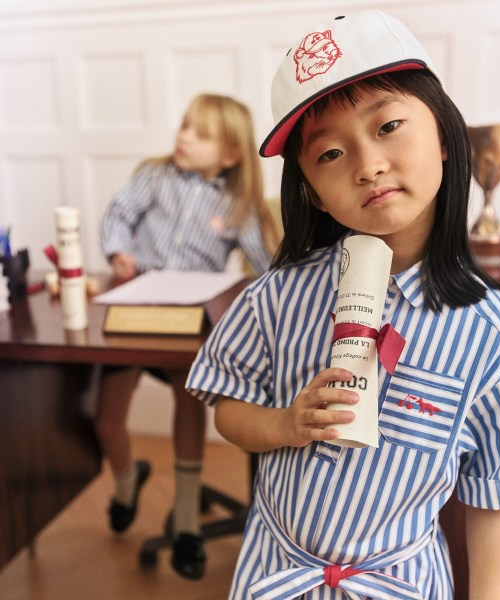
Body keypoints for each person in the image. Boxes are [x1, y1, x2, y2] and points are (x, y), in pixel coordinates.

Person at [186, 11, 500, 599]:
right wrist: (283, 424)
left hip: (402, 583)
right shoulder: (276, 296)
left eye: (388, 125)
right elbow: (228, 407)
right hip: (277, 573)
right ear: (311, 190)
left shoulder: (491, 334)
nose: (368, 166)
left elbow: (495, 495)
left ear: (445, 135)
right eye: (330, 154)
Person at [96, 93, 279, 580]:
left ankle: (185, 521)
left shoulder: (237, 203)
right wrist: (117, 252)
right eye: (183, 126)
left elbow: (265, 265)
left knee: (188, 398)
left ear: (230, 155)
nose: (184, 138)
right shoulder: (154, 175)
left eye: (200, 134)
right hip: (134, 310)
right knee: (107, 418)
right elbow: (117, 215)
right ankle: (126, 482)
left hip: (185, 321)